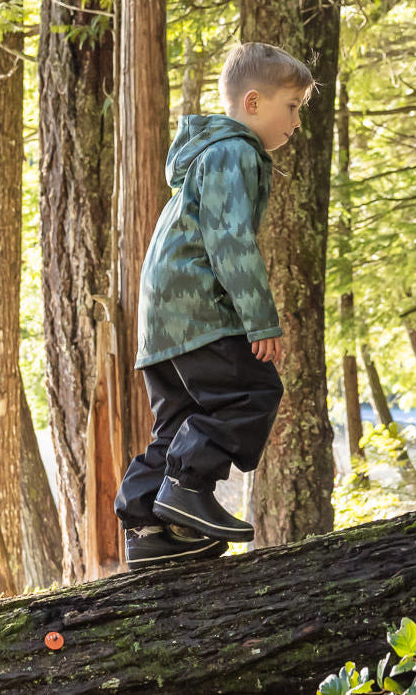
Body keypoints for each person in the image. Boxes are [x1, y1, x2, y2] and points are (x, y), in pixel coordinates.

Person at [114, 41, 314, 570]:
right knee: (252, 392)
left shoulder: (206, 156)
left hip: (163, 324)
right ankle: (186, 488)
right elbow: (230, 242)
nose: (297, 122)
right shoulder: (234, 152)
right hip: (199, 312)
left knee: (181, 420)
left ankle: (147, 528)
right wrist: (260, 321)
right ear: (253, 102)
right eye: (292, 107)